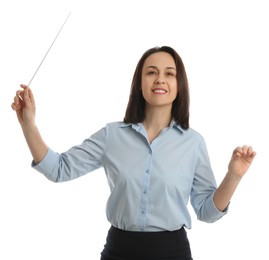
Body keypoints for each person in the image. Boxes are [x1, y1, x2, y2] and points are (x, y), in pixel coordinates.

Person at [11, 46, 256, 260]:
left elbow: (207, 212)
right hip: (119, 250)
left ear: (179, 85)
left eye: (169, 74)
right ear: (140, 83)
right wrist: (28, 124)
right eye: (151, 72)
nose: (160, 79)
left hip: (172, 252)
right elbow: (58, 169)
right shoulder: (111, 135)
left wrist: (234, 176)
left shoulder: (193, 143)